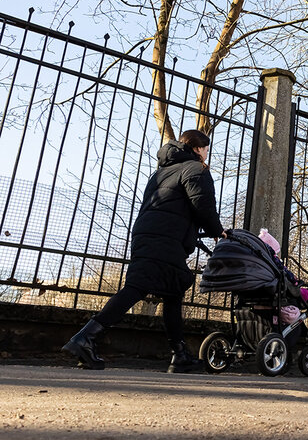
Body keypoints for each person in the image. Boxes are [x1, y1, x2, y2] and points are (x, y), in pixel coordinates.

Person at [62, 130, 226, 373]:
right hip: (166, 237)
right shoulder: (195, 168)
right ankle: (85, 338)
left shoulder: (162, 171)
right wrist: (217, 231)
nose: (206, 154)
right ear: (197, 148)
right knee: (137, 287)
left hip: (147, 233)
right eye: (205, 149)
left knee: (172, 292)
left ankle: (180, 355)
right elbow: (201, 203)